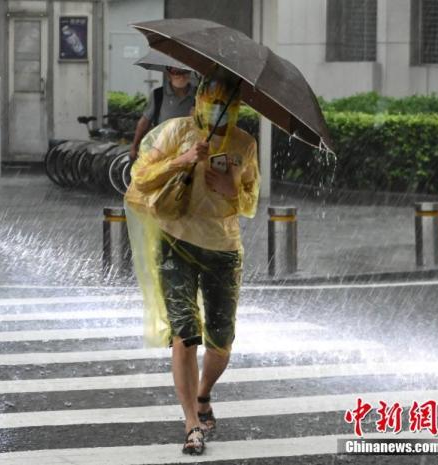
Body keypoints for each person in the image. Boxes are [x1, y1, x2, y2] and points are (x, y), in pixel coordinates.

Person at [124, 68, 260, 456]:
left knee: (221, 341)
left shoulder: (244, 143)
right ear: (200, 100)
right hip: (175, 242)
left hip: (223, 248)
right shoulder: (175, 132)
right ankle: (191, 424)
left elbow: (251, 199)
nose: (216, 109)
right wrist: (181, 160)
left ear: (234, 107)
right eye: (211, 100)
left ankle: (203, 393)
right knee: (184, 333)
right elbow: (140, 178)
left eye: (225, 104)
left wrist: (233, 189)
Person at [129, 66, 196, 161]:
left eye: (185, 71)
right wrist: (134, 146)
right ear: (169, 75)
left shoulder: (199, 94)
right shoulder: (158, 94)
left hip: (189, 152)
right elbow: (144, 122)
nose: (181, 76)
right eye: (177, 72)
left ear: (190, 73)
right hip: (161, 151)